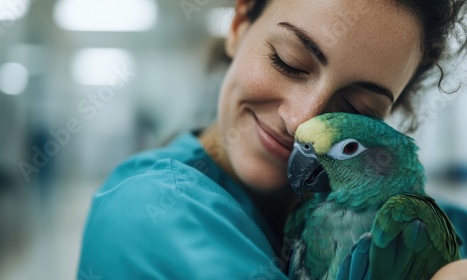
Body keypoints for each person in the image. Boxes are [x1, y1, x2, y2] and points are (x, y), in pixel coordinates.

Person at [77, 0, 467, 279]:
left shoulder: (427, 222)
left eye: (355, 108)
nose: (302, 120)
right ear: (239, 23)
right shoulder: (150, 210)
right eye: (288, 61)